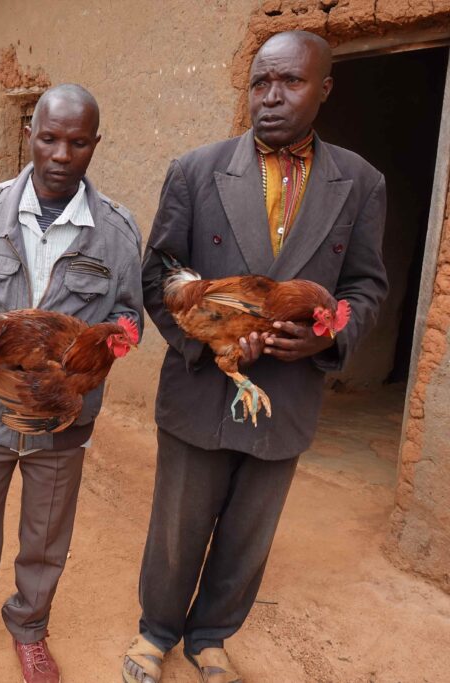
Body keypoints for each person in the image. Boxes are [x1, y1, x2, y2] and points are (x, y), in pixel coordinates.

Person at [122, 31, 388, 683]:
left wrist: (331, 336)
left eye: (290, 82)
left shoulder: (359, 181)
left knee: (249, 529)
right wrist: (204, 340)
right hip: (200, 385)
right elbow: (158, 273)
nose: (271, 97)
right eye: (261, 82)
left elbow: (365, 285)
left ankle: (211, 636)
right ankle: (156, 632)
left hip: (288, 393)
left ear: (323, 88)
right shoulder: (196, 168)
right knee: (178, 523)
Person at [0, 84, 143, 683]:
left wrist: (95, 353)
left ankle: (30, 631)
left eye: (78, 142)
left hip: (64, 422)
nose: (61, 154)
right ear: (29, 135)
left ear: (95, 145)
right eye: (49, 137)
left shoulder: (116, 231)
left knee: (45, 539)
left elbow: (128, 314)